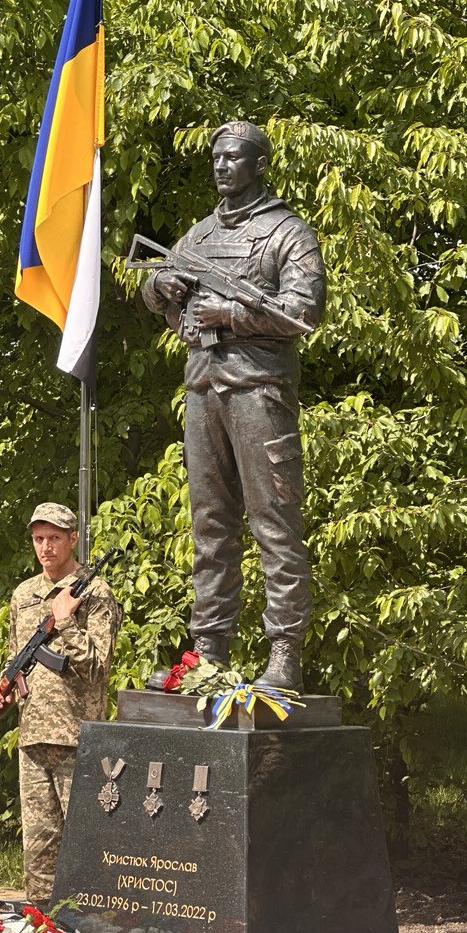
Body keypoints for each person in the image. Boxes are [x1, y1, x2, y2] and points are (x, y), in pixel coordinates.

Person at [141, 120, 325, 692]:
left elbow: (303, 311)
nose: (222, 166)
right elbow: (154, 284)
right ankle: (209, 653)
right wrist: (161, 291)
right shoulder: (196, 236)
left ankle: (284, 655)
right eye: (216, 158)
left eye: (235, 158)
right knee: (210, 527)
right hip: (203, 390)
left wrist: (230, 315)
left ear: (259, 165)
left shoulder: (288, 233)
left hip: (259, 392)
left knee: (275, 524)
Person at [0, 503, 118, 904]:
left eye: (55, 538)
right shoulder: (24, 594)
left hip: (78, 738)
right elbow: (15, 660)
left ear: (73, 539)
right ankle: (41, 930)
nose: (46, 547)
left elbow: (97, 666)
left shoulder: (94, 592)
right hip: (33, 738)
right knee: (38, 851)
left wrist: (66, 620)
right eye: (39, 539)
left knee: (86, 844)